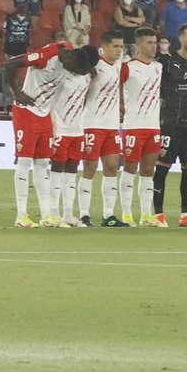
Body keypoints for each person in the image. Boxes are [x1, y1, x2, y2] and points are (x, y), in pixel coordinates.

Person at [153, 23, 187, 227]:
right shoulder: (165, 61)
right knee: (163, 167)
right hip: (170, 121)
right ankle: (158, 214)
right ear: (181, 39)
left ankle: (186, 215)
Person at [111, 27, 165, 224]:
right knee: (129, 170)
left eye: (155, 42)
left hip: (153, 127)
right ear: (139, 45)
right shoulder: (128, 67)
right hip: (134, 126)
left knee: (148, 172)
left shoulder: (158, 67)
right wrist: (120, 107)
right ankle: (126, 213)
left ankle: (145, 215)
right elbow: (114, 87)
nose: (154, 46)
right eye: (149, 42)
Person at [76, 31, 128, 226]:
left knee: (112, 167)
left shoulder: (119, 66)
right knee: (90, 167)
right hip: (92, 124)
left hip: (112, 125)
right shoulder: (93, 66)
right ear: (104, 47)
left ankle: (108, 215)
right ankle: (84, 214)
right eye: (115, 46)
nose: (119, 50)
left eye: (121, 47)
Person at [47, 42, 99, 226]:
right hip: (60, 129)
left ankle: (68, 213)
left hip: (77, 130)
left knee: (71, 172)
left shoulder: (86, 78)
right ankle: (53, 213)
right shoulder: (61, 76)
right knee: (56, 172)